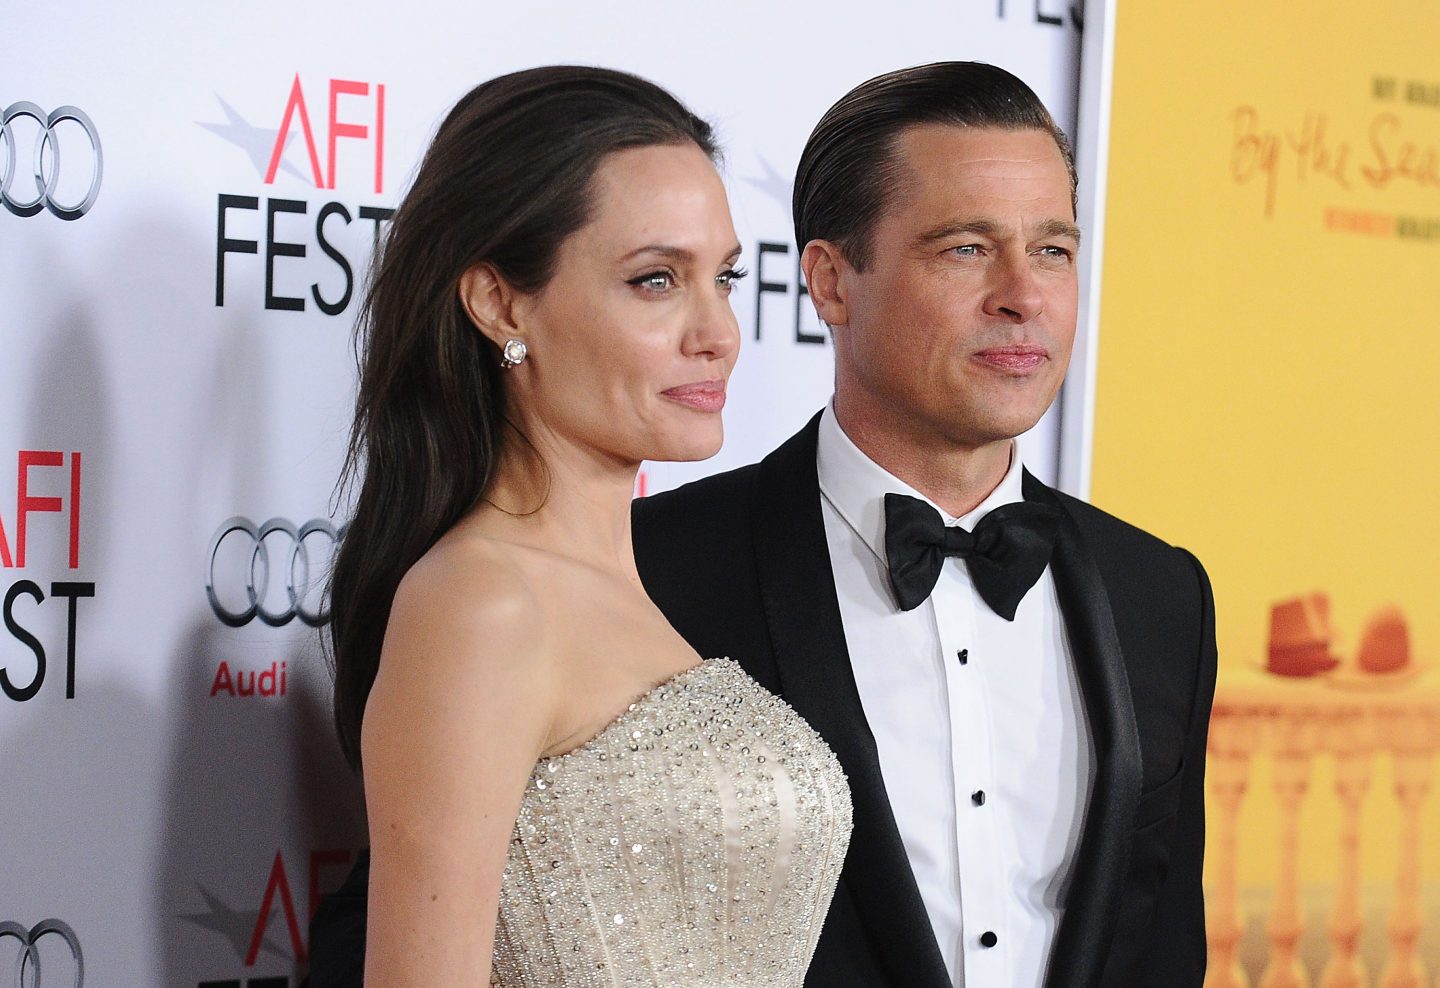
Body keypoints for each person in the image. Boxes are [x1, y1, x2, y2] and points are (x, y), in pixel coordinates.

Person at [312, 61, 1215, 988]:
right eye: (965, 249)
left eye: (1055, 250)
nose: (719, 333)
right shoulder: (582, 583)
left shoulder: (1161, 597)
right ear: (828, 281)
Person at [325, 65, 851, 987]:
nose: (719, 331)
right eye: (656, 280)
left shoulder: (648, 585)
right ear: (500, 303)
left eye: (722, 277)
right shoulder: (480, 603)